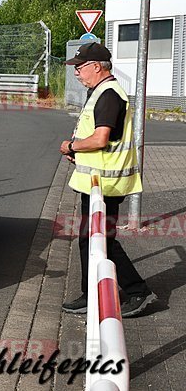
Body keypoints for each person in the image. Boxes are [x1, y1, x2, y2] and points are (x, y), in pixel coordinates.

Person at [59, 41, 156, 318]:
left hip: (105, 182)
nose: (76, 72)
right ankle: (93, 294)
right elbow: (107, 139)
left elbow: (101, 138)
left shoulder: (108, 94)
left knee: (101, 240)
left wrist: (72, 147)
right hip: (97, 179)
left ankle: (137, 292)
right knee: (93, 239)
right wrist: (80, 155)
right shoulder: (101, 91)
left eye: (80, 67)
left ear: (97, 67)